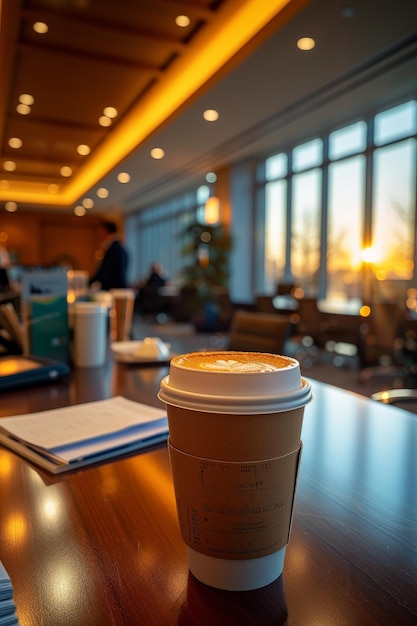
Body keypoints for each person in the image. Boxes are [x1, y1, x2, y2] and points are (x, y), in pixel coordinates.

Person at [89, 220, 129, 291]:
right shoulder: (121, 249)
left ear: (106, 231)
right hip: (118, 290)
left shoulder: (113, 250)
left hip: (114, 291)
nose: (98, 234)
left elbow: (104, 273)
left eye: (100, 230)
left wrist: (88, 282)